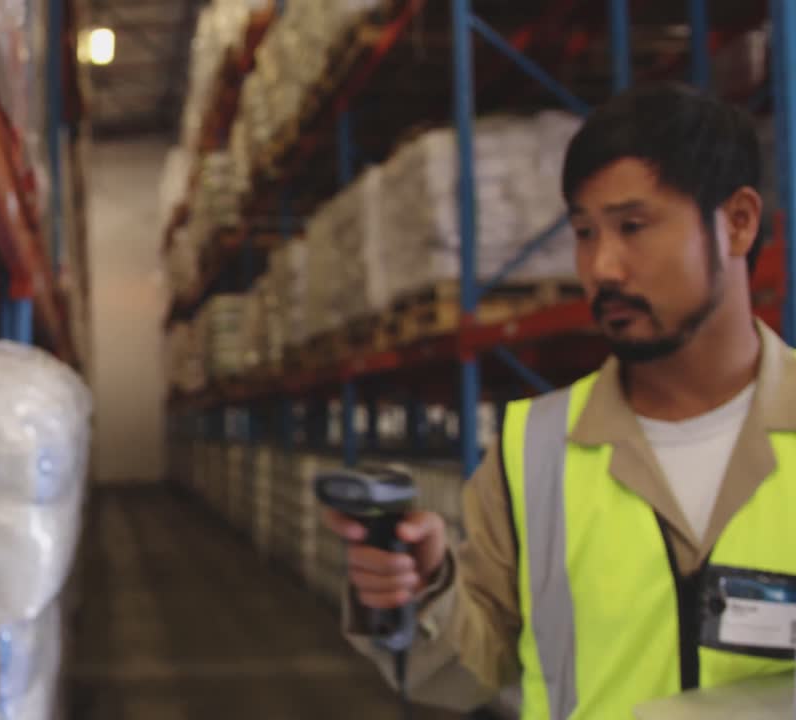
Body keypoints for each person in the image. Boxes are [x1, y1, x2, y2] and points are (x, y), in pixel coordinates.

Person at [324, 82, 796, 719]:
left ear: (737, 222)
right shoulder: (534, 451)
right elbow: (466, 674)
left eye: (633, 227)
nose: (603, 266)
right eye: (583, 232)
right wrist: (422, 592)